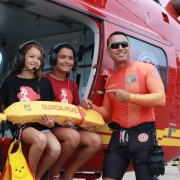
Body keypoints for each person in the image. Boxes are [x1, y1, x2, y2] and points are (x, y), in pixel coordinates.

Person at [81, 31, 166, 180]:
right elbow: (107, 113)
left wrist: (130, 97)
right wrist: (91, 107)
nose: (120, 48)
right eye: (114, 46)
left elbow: (160, 99)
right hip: (118, 138)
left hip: (143, 138)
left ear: (129, 47)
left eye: (124, 44)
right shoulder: (111, 79)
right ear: (108, 51)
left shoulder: (146, 69)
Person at [0, 41, 61, 180]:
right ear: (21, 58)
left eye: (39, 58)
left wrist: (51, 123)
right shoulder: (10, 82)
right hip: (21, 127)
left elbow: (49, 108)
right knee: (40, 139)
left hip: (42, 126)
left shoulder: (44, 82)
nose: (36, 61)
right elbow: (4, 110)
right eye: (32, 57)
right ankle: (30, 176)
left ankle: (36, 176)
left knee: (56, 148)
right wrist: (12, 123)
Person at [44, 43, 102, 180]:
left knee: (96, 140)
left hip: (67, 127)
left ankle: (68, 175)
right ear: (53, 58)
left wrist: (84, 119)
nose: (67, 61)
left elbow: (75, 109)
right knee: (73, 136)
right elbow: (41, 109)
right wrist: (58, 123)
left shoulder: (73, 85)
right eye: (62, 57)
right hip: (50, 127)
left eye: (70, 58)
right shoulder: (44, 80)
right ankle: (53, 174)